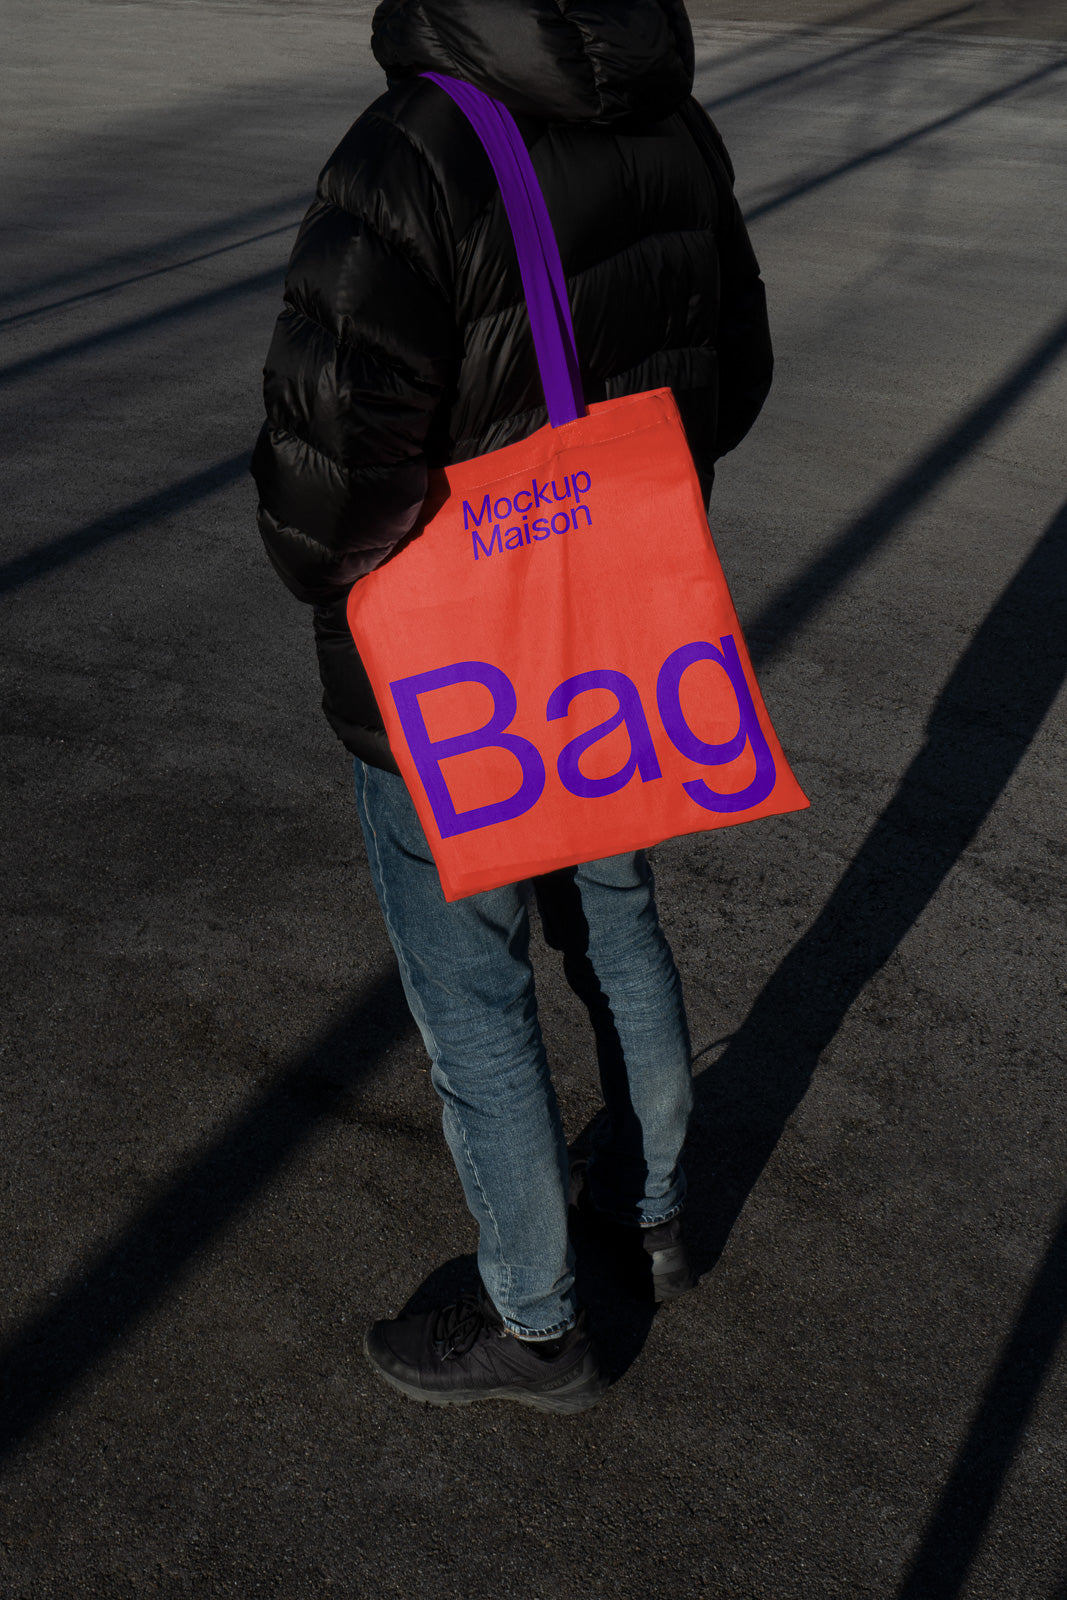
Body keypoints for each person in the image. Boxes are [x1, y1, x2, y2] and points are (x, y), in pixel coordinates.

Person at [251, 0, 773, 1414]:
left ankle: (534, 1320)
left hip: (459, 672)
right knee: (617, 909)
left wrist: (344, 561)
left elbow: (328, 477)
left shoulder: (416, 151)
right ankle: (650, 1215)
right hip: (620, 639)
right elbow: (735, 381)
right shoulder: (670, 113)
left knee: (469, 981)